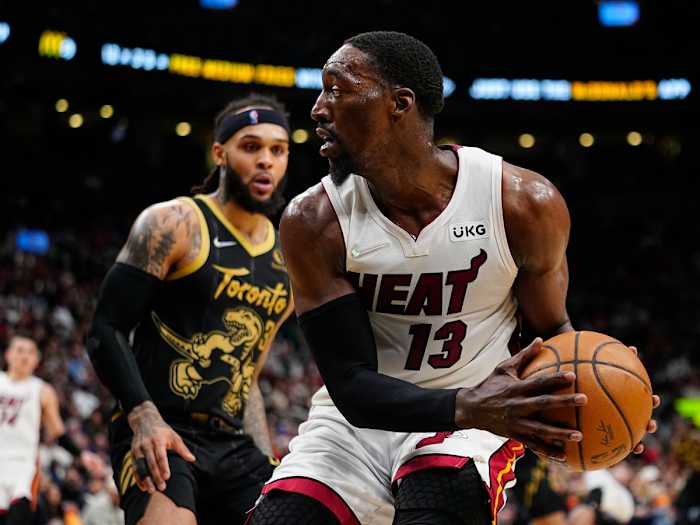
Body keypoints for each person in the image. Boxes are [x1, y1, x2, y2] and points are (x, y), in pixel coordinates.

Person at [247, 32, 659, 525]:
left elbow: (552, 330)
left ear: (400, 104)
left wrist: (605, 394)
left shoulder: (522, 203)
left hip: (476, 423)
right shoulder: (313, 222)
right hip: (359, 424)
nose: (317, 109)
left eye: (336, 90)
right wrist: (466, 405)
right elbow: (352, 385)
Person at [87, 94, 294, 525]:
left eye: (278, 150)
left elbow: (248, 377)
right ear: (220, 153)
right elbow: (104, 329)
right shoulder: (174, 223)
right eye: (251, 147)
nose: (266, 161)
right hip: (160, 426)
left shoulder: (288, 259)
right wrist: (142, 417)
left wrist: (265, 456)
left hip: (231, 443)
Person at [0, 335, 103, 525]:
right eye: (20, 350)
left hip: (22, 468)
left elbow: (58, 432)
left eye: (30, 352)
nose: (24, 356)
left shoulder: (42, 390)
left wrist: (81, 455)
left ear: (37, 360)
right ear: (8, 354)